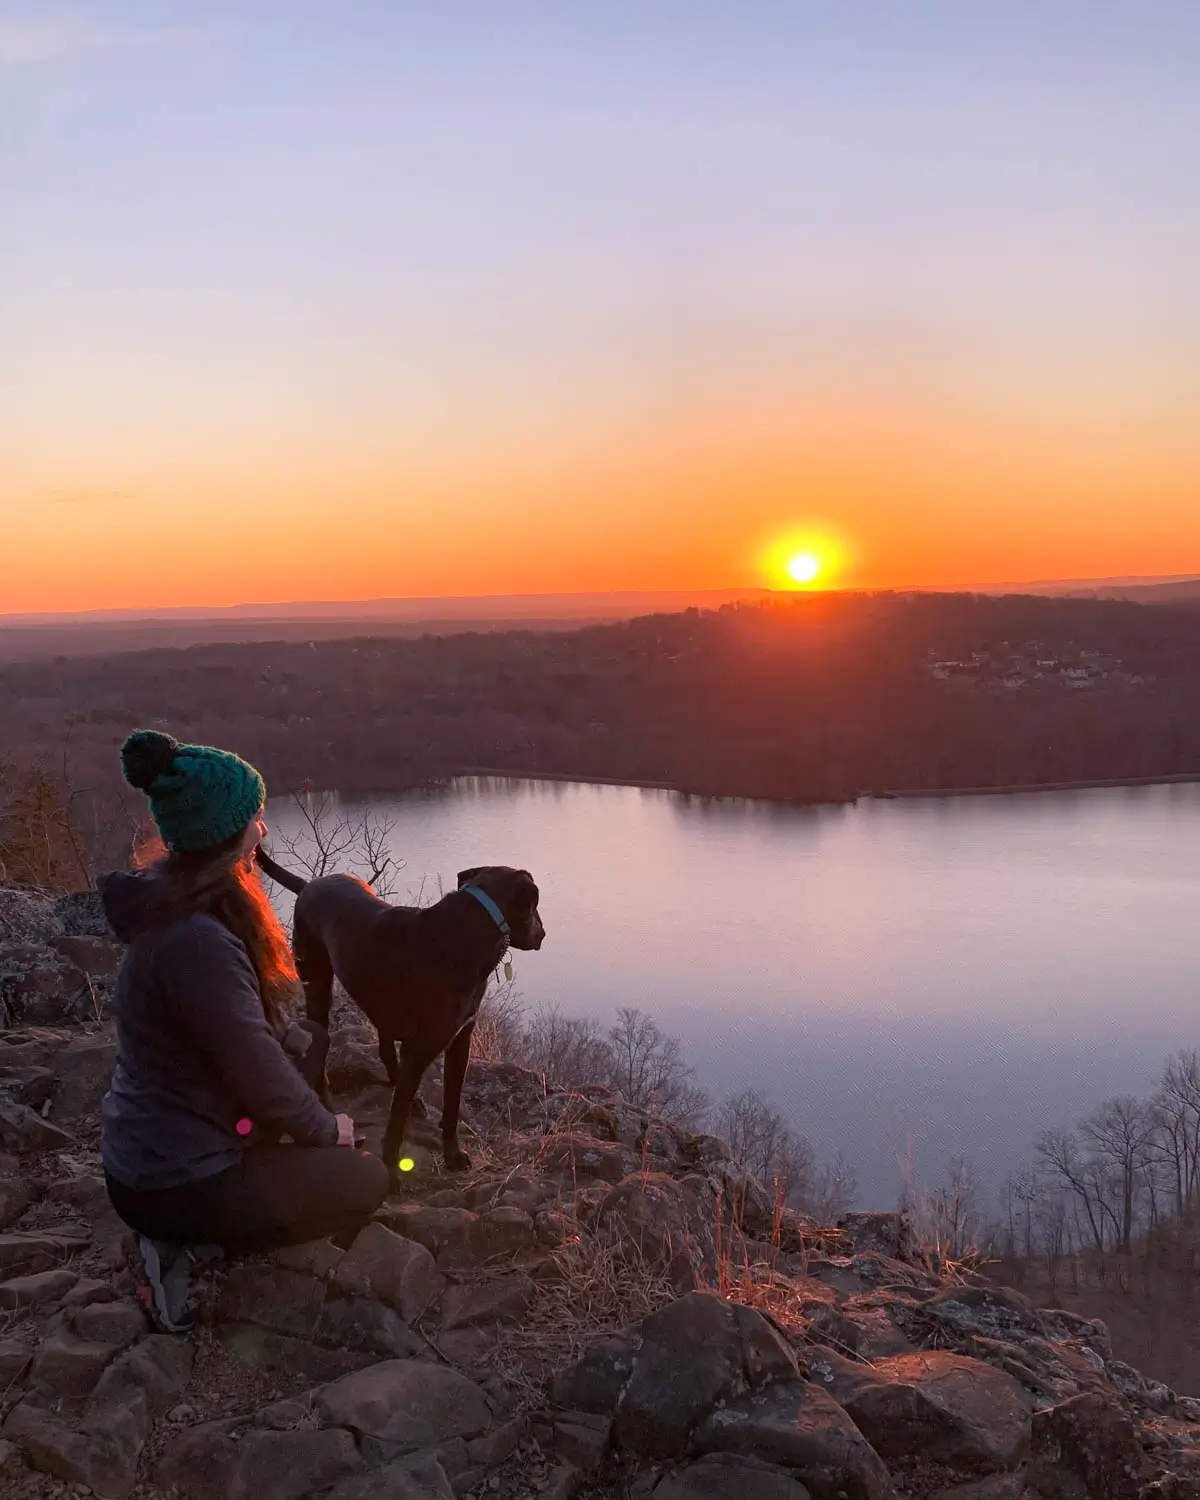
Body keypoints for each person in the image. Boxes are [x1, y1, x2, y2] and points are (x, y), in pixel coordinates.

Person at [100, 728, 389, 1331]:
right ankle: (178, 1246)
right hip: (173, 1180)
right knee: (364, 1179)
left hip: (164, 1148)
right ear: (227, 838)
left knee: (311, 1042)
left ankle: (198, 1225)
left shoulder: (181, 906)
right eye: (255, 820)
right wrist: (324, 1130)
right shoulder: (196, 940)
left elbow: (234, 1040)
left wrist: (294, 1058)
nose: (263, 831)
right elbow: (253, 1065)